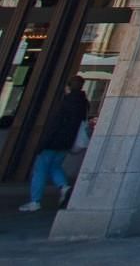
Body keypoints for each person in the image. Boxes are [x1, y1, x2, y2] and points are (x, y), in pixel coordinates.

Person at [18, 76, 89, 212]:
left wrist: (42, 143)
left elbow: (54, 125)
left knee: (40, 170)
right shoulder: (83, 103)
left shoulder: (65, 102)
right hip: (67, 141)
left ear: (68, 87)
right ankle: (64, 186)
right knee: (55, 166)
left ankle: (35, 201)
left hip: (53, 141)